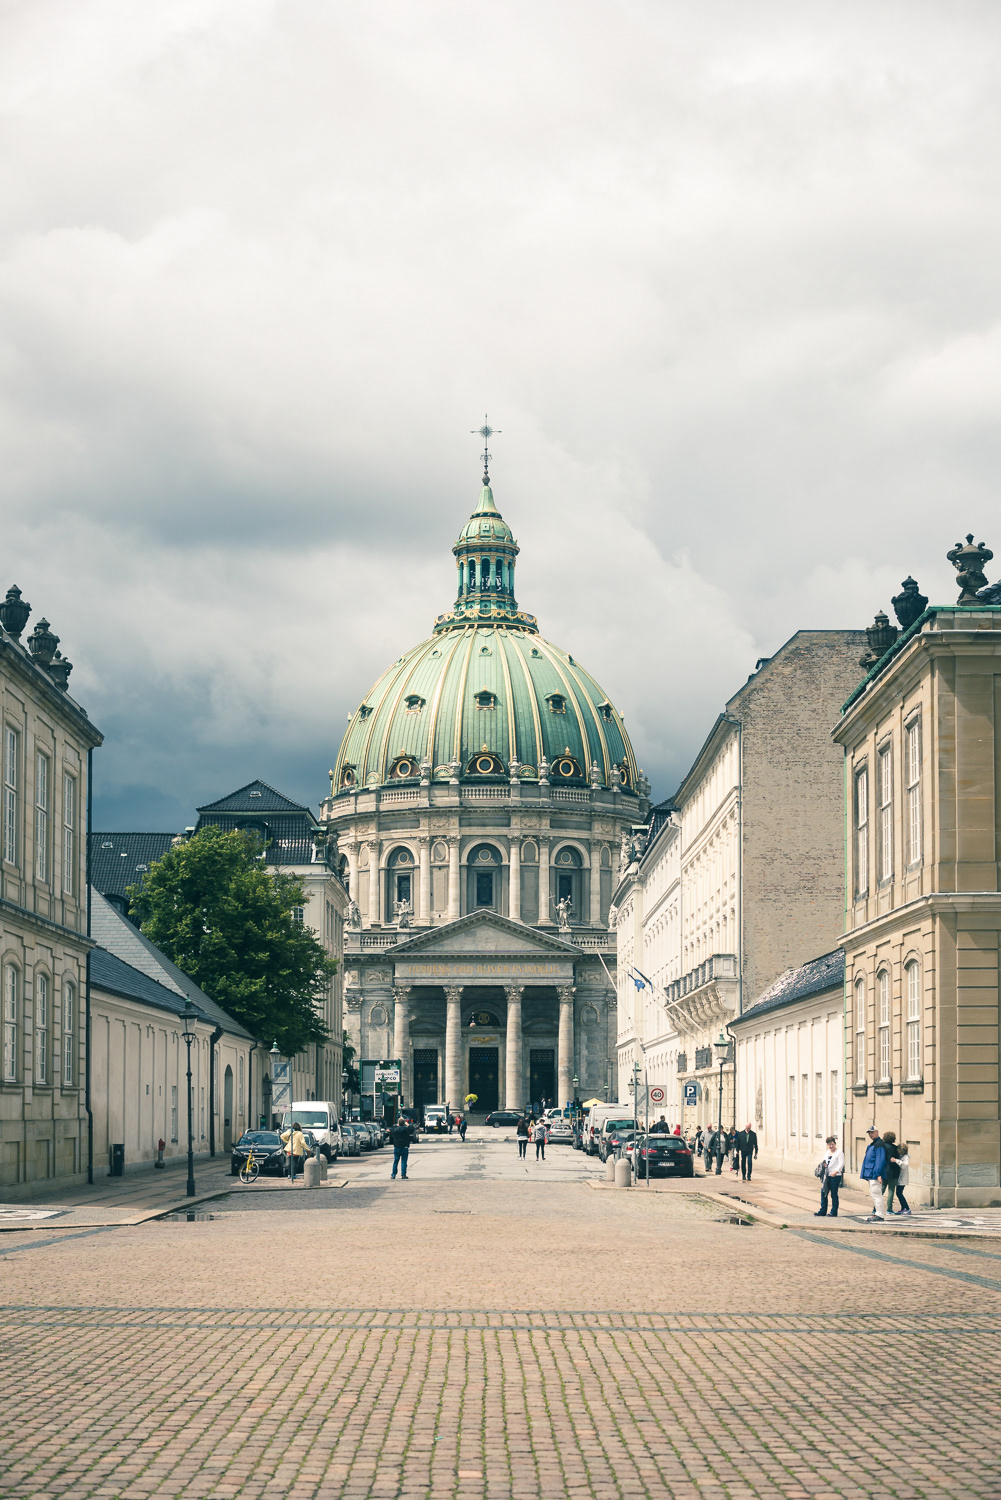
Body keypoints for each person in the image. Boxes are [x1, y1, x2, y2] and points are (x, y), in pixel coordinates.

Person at [860, 1125, 888, 1221]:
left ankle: (880, 1214)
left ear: (877, 1132)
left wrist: (878, 1174)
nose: (870, 1134)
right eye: (869, 1133)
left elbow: (880, 1161)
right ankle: (878, 1213)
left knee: (876, 1194)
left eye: (872, 1132)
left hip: (874, 1174)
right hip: (871, 1173)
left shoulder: (878, 1144)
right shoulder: (874, 1144)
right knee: (874, 1194)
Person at [814, 1135, 845, 1217]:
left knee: (834, 1194)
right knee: (823, 1192)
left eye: (832, 1144)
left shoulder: (839, 1152)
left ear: (835, 1144)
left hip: (835, 1176)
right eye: (829, 1145)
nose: (831, 1146)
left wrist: (836, 1172)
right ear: (827, 1145)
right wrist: (824, 1165)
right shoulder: (827, 1152)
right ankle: (822, 1211)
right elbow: (825, 1162)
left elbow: (841, 1163)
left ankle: (834, 1212)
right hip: (827, 1175)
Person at [884, 1132, 911, 1216]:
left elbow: (905, 1165)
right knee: (898, 1193)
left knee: (899, 1193)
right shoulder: (902, 1156)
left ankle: (907, 1208)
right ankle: (904, 1208)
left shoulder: (905, 1157)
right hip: (900, 1177)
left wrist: (896, 1160)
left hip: (902, 1178)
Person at [390, 1115, 415, 1180]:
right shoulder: (406, 1130)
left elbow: (391, 1130)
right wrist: (408, 1125)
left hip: (397, 1147)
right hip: (404, 1147)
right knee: (404, 1162)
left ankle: (393, 1175)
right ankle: (403, 1174)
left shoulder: (395, 1130)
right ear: (404, 1123)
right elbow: (412, 1129)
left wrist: (397, 1125)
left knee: (395, 1161)